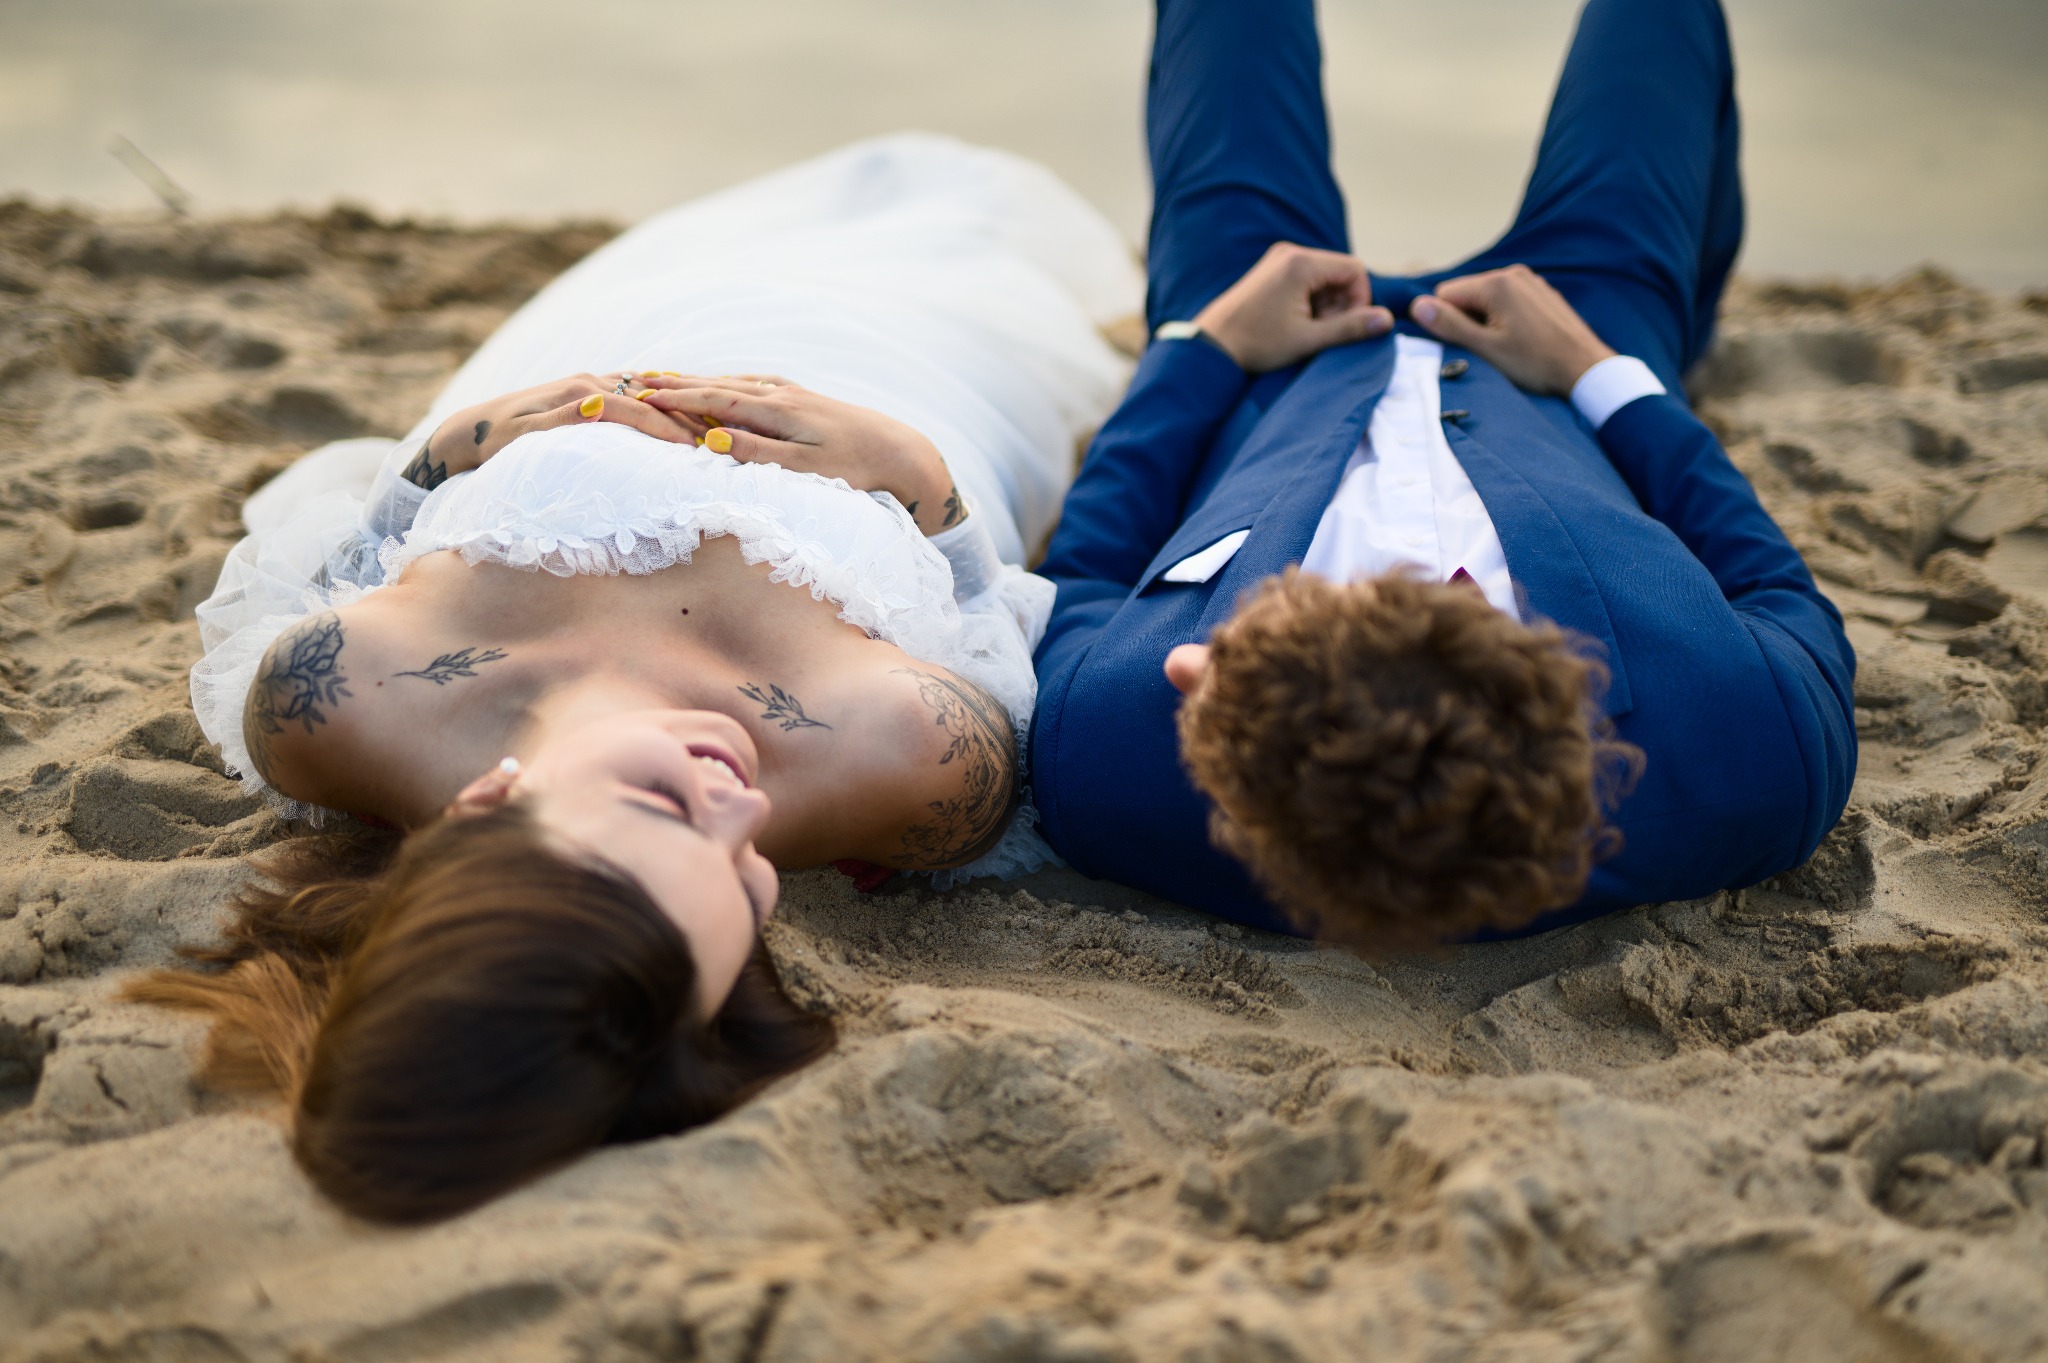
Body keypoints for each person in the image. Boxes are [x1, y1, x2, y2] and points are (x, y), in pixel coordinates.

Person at [139, 135, 1143, 1222]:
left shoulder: (336, 704)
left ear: (487, 802)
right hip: (901, 379)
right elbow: (994, 621)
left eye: (666, 806)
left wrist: (443, 454)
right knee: (968, 249)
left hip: (604, 343)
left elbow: (336, 558)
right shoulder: (898, 755)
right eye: (754, 880)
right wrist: (917, 477)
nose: (741, 803)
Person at [1031, 0, 1857, 950]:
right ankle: (1680, 321)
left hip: (1268, 352)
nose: (1187, 661)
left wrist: (1207, 346)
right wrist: (1603, 371)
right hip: (1566, 328)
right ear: (1535, 658)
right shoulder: (1761, 748)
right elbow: (1771, 583)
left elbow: (1088, 566)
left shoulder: (1100, 754)